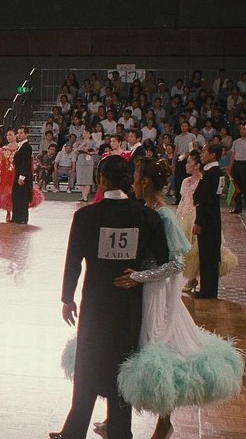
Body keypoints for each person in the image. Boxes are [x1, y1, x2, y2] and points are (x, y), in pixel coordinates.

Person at [112, 157, 244, 439]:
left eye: (135, 178)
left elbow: (177, 264)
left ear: (145, 181)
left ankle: (164, 421)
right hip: (143, 287)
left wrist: (140, 276)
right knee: (137, 347)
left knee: (158, 348)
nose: (132, 183)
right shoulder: (147, 210)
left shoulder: (164, 215)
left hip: (157, 292)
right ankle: (120, 417)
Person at [51, 155, 169, 439]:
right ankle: (120, 432)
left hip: (95, 304)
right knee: (122, 366)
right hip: (129, 306)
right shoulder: (147, 216)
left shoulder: (86, 216)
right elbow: (165, 262)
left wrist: (67, 298)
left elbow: (73, 261)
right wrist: (138, 276)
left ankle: (74, 433)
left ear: (101, 180)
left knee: (87, 366)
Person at [0, 127, 43, 222]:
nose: (9, 137)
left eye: (11, 135)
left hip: (17, 173)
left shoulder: (22, 146)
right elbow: (1, 164)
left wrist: (24, 176)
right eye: (7, 135)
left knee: (18, 195)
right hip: (7, 174)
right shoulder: (3, 149)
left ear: (15, 135)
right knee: (9, 194)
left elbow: (27, 163)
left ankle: (19, 216)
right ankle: (10, 212)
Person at [191, 143, 225, 299]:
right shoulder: (217, 172)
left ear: (213, 155)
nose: (201, 154)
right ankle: (209, 289)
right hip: (213, 218)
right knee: (210, 254)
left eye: (204, 152)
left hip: (207, 220)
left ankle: (208, 291)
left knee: (208, 255)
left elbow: (205, 200)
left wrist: (199, 222)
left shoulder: (211, 174)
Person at [11, 126, 35, 224]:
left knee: (23, 197)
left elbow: (26, 163)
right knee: (17, 196)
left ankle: (22, 218)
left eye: (21, 133)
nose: (19, 135)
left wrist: (22, 177)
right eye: (18, 133)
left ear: (26, 134)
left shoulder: (27, 147)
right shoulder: (20, 145)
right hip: (18, 173)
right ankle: (16, 217)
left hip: (23, 175)